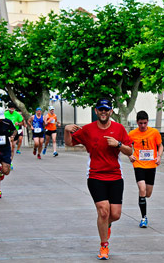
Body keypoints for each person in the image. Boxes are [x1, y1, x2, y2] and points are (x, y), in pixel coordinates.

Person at [64, 98, 132, 260]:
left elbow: (130, 151)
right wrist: (67, 131)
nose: (103, 112)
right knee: (103, 211)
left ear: (110, 111)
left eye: (106, 109)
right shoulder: (88, 130)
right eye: (100, 109)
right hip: (95, 176)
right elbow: (70, 143)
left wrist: (118, 144)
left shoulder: (119, 128)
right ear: (96, 111)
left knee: (115, 215)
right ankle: (104, 246)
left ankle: (106, 225)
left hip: (115, 176)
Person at [128, 110, 163, 228]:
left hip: (151, 165)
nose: (142, 126)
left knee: (147, 194)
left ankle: (142, 196)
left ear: (147, 122)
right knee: (142, 189)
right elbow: (126, 147)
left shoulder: (154, 132)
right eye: (140, 123)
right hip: (138, 164)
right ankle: (144, 218)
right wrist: (130, 155)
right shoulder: (132, 134)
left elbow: (160, 145)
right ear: (137, 122)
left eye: (144, 123)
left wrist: (159, 156)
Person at [4, 102, 23, 167]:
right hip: (7, 132)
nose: (12, 110)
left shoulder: (17, 114)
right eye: (10, 108)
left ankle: (10, 162)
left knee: (12, 148)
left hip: (15, 132)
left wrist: (18, 123)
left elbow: (22, 122)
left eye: (13, 108)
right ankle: (7, 160)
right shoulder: (5, 114)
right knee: (9, 146)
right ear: (8, 108)